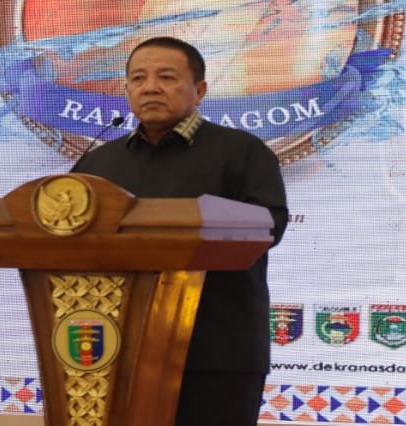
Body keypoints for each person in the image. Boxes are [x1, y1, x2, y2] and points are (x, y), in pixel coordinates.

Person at [70, 36, 288, 426]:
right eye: (138, 78)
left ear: (199, 90)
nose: (150, 87)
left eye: (167, 77)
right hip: (118, 350)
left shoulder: (242, 151)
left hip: (216, 352)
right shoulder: (99, 162)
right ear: (127, 89)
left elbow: (269, 227)